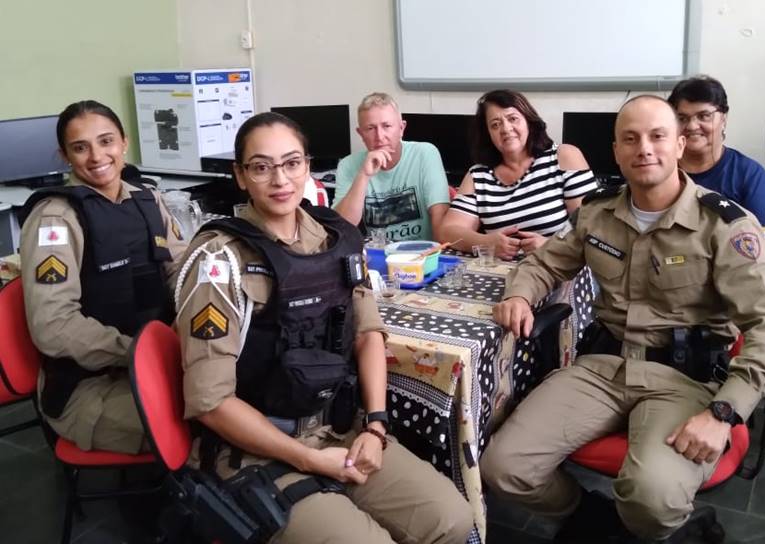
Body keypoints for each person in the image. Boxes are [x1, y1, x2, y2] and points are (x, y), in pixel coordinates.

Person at [481, 96, 765, 542]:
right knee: (504, 466)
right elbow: (545, 264)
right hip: (604, 368)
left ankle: (654, 524)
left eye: (657, 136)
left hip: (686, 381)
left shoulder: (725, 226)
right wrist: (519, 295)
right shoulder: (598, 212)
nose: (643, 148)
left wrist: (724, 413)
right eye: (630, 139)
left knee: (652, 497)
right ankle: (596, 518)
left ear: (680, 144)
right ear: (616, 151)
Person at [174, 112, 473, 544]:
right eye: (261, 167)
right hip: (255, 448)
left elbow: (369, 334)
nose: (280, 179)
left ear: (308, 166)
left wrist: (375, 425)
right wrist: (309, 460)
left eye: (291, 163)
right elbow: (211, 401)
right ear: (240, 176)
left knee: (452, 519)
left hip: (340, 425)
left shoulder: (335, 242)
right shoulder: (220, 262)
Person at [19, 100, 187, 454]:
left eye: (106, 141)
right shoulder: (56, 220)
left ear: (124, 142)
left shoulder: (147, 200)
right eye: (81, 148)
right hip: (91, 388)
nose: (97, 156)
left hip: (157, 364)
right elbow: (53, 326)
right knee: (205, 418)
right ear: (65, 155)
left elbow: (180, 269)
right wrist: (140, 352)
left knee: (237, 393)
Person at [439, 90, 597, 260]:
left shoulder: (563, 157)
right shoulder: (478, 175)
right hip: (499, 274)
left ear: (529, 121)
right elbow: (448, 231)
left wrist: (551, 246)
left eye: (513, 119)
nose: (506, 129)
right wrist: (485, 242)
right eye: (495, 124)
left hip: (559, 268)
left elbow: (594, 228)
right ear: (488, 134)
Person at [667, 75, 765, 258]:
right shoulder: (660, 169)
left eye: (704, 116)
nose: (692, 125)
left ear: (724, 118)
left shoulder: (749, 174)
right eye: (682, 118)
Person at [333, 92, 451, 242]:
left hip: (421, 255)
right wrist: (363, 175)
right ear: (360, 133)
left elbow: (440, 219)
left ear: (401, 128)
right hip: (378, 256)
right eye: (370, 128)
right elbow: (341, 226)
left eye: (387, 126)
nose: (380, 136)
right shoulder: (348, 165)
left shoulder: (425, 154)